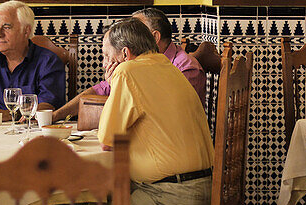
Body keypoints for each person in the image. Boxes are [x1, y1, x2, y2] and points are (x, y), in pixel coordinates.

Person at [97, 17, 213, 205]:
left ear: (125, 54)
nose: (105, 64)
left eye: (106, 56)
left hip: (171, 197)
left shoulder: (127, 71)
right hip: (205, 191)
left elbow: (107, 140)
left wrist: (114, 84)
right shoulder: (169, 66)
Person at [54, 8, 204, 122]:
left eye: (136, 30)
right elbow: (99, 90)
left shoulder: (185, 67)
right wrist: (56, 116)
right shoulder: (138, 64)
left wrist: (119, 88)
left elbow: (161, 117)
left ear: (154, 37)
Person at [0, 1, 66, 117]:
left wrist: (8, 115)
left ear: (26, 31)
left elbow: (48, 106)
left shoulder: (49, 63)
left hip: (32, 132)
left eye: (6, 27)